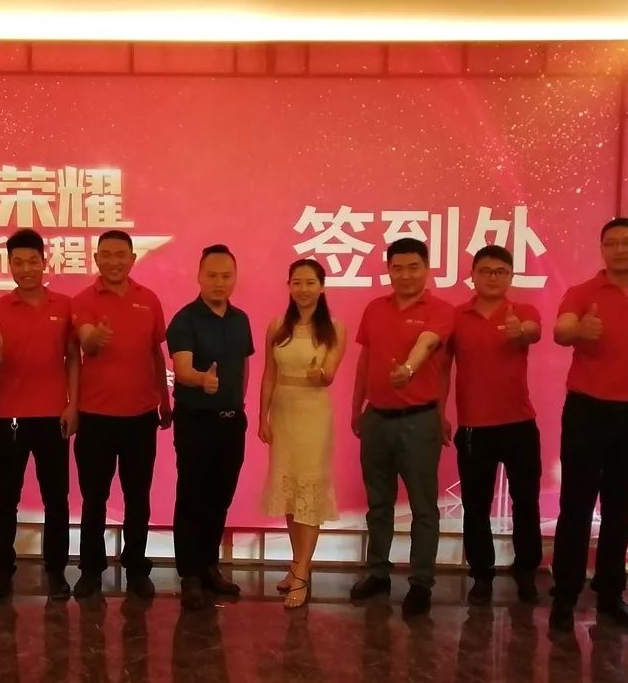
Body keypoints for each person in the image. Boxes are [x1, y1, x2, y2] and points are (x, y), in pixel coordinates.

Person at [548, 218, 628, 633]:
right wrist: (579, 330)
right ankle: (565, 595)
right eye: (612, 243)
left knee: (620, 509)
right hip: (586, 411)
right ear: (602, 249)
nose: (620, 249)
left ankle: (610, 594)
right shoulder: (582, 292)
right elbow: (560, 330)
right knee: (576, 507)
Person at [349, 237, 455, 617]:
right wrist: (356, 407)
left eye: (414, 267)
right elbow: (365, 360)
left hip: (419, 421)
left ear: (427, 270)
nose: (406, 275)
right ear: (389, 270)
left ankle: (421, 582)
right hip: (377, 419)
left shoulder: (441, 311)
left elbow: (427, 344)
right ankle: (378, 573)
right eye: (398, 268)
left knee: (423, 507)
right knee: (378, 503)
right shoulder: (375, 309)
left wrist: (408, 370)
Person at [70, 231, 172, 600]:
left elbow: (156, 353)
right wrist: (94, 338)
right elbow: (85, 339)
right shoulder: (83, 300)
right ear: (97, 259)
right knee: (94, 498)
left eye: (121, 255)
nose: (114, 261)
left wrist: (164, 400)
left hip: (141, 415)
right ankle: (90, 570)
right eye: (107, 255)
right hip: (95, 416)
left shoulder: (149, 299)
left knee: (138, 498)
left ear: (132, 258)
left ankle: (136, 568)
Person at [0, 228, 79, 603]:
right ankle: (1, 575)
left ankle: (56, 573)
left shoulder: (65, 306)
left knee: (57, 499)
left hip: (53, 416)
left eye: (32, 261)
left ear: (44, 262)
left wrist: (72, 404)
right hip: (10, 418)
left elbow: (73, 359)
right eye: (18, 262)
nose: (26, 268)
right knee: (5, 500)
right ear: (9, 265)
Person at [445, 245, 543, 606]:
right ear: (472, 275)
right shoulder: (456, 316)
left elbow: (533, 331)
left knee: (526, 503)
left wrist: (521, 330)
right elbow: (442, 368)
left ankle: (526, 571)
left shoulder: (523, 311)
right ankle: (481, 574)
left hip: (520, 424)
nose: (492, 277)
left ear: (511, 276)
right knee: (476, 506)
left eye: (501, 271)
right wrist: (440, 412)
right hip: (474, 427)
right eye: (485, 271)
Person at [167, 244, 255, 610]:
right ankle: (189, 574)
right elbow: (182, 369)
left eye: (226, 276)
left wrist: (237, 404)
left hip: (231, 422)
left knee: (221, 496)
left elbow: (244, 367)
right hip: (196, 421)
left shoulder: (240, 320)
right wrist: (201, 380)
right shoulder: (185, 319)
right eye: (212, 275)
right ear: (199, 277)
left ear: (235, 278)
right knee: (192, 497)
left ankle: (208, 566)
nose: (220, 282)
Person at [258, 259, 347, 609]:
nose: (303, 289)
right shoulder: (276, 326)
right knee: (290, 492)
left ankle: (302, 574)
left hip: (314, 414)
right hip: (283, 413)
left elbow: (331, 373)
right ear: (289, 286)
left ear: (322, 287)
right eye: (297, 282)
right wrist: (262, 416)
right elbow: (268, 374)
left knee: (309, 489)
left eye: (310, 282)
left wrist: (319, 375)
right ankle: (297, 565)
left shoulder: (335, 328)